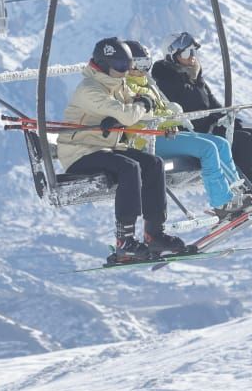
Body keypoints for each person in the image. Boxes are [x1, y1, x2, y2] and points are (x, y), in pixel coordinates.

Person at [56, 37, 187, 264]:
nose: (125, 72)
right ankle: (124, 241)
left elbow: (144, 113)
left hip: (106, 148)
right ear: (104, 65)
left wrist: (138, 107)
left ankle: (154, 233)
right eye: (119, 67)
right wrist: (139, 105)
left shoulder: (118, 84)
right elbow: (130, 114)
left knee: (152, 163)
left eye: (127, 66)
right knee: (129, 167)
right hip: (79, 153)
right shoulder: (90, 89)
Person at [122, 40, 252, 220]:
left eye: (146, 63)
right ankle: (222, 203)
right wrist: (168, 114)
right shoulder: (125, 86)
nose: (142, 68)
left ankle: (236, 191)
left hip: (166, 133)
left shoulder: (147, 83)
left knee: (221, 143)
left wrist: (171, 112)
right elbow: (140, 114)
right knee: (207, 149)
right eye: (138, 64)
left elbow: (162, 109)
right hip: (146, 140)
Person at [150, 31, 252, 194]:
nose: (192, 56)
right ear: (172, 56)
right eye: (186, 52)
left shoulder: (194, 77)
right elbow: (184, 107)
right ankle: (250, 187)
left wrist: (229, 120)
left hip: (207, 128)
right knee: (243, 140)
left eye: (194, 51)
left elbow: (212, 103)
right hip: (190, 132)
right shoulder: (166, 82)